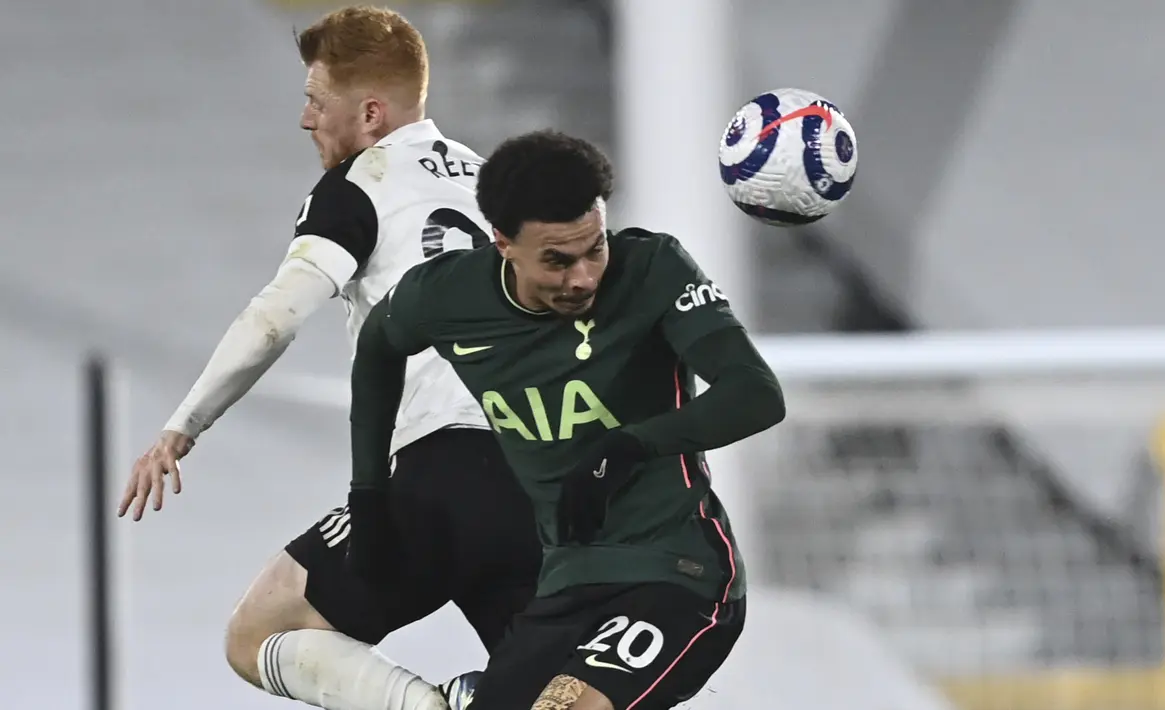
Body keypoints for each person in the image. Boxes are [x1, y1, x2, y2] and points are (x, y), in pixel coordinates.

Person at [115, 7, 541, 710]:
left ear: (370, 113)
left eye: (316, 101)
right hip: (542, 480)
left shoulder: (358, 187)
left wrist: (181, 427)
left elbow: (275, 318)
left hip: (440, 472)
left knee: (255, 636)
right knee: (554, 692)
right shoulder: (505, 185)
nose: (307, 120)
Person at [347, 129, 786, 710]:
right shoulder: (446, 297)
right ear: (501, 241)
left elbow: (755, 393)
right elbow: (377, 351)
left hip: (678, 572)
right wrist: (369, 493)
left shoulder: (654, 269)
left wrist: (627, 447)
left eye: (594, 249)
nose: (583, 277)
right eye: (557, 260)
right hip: (565, 585)